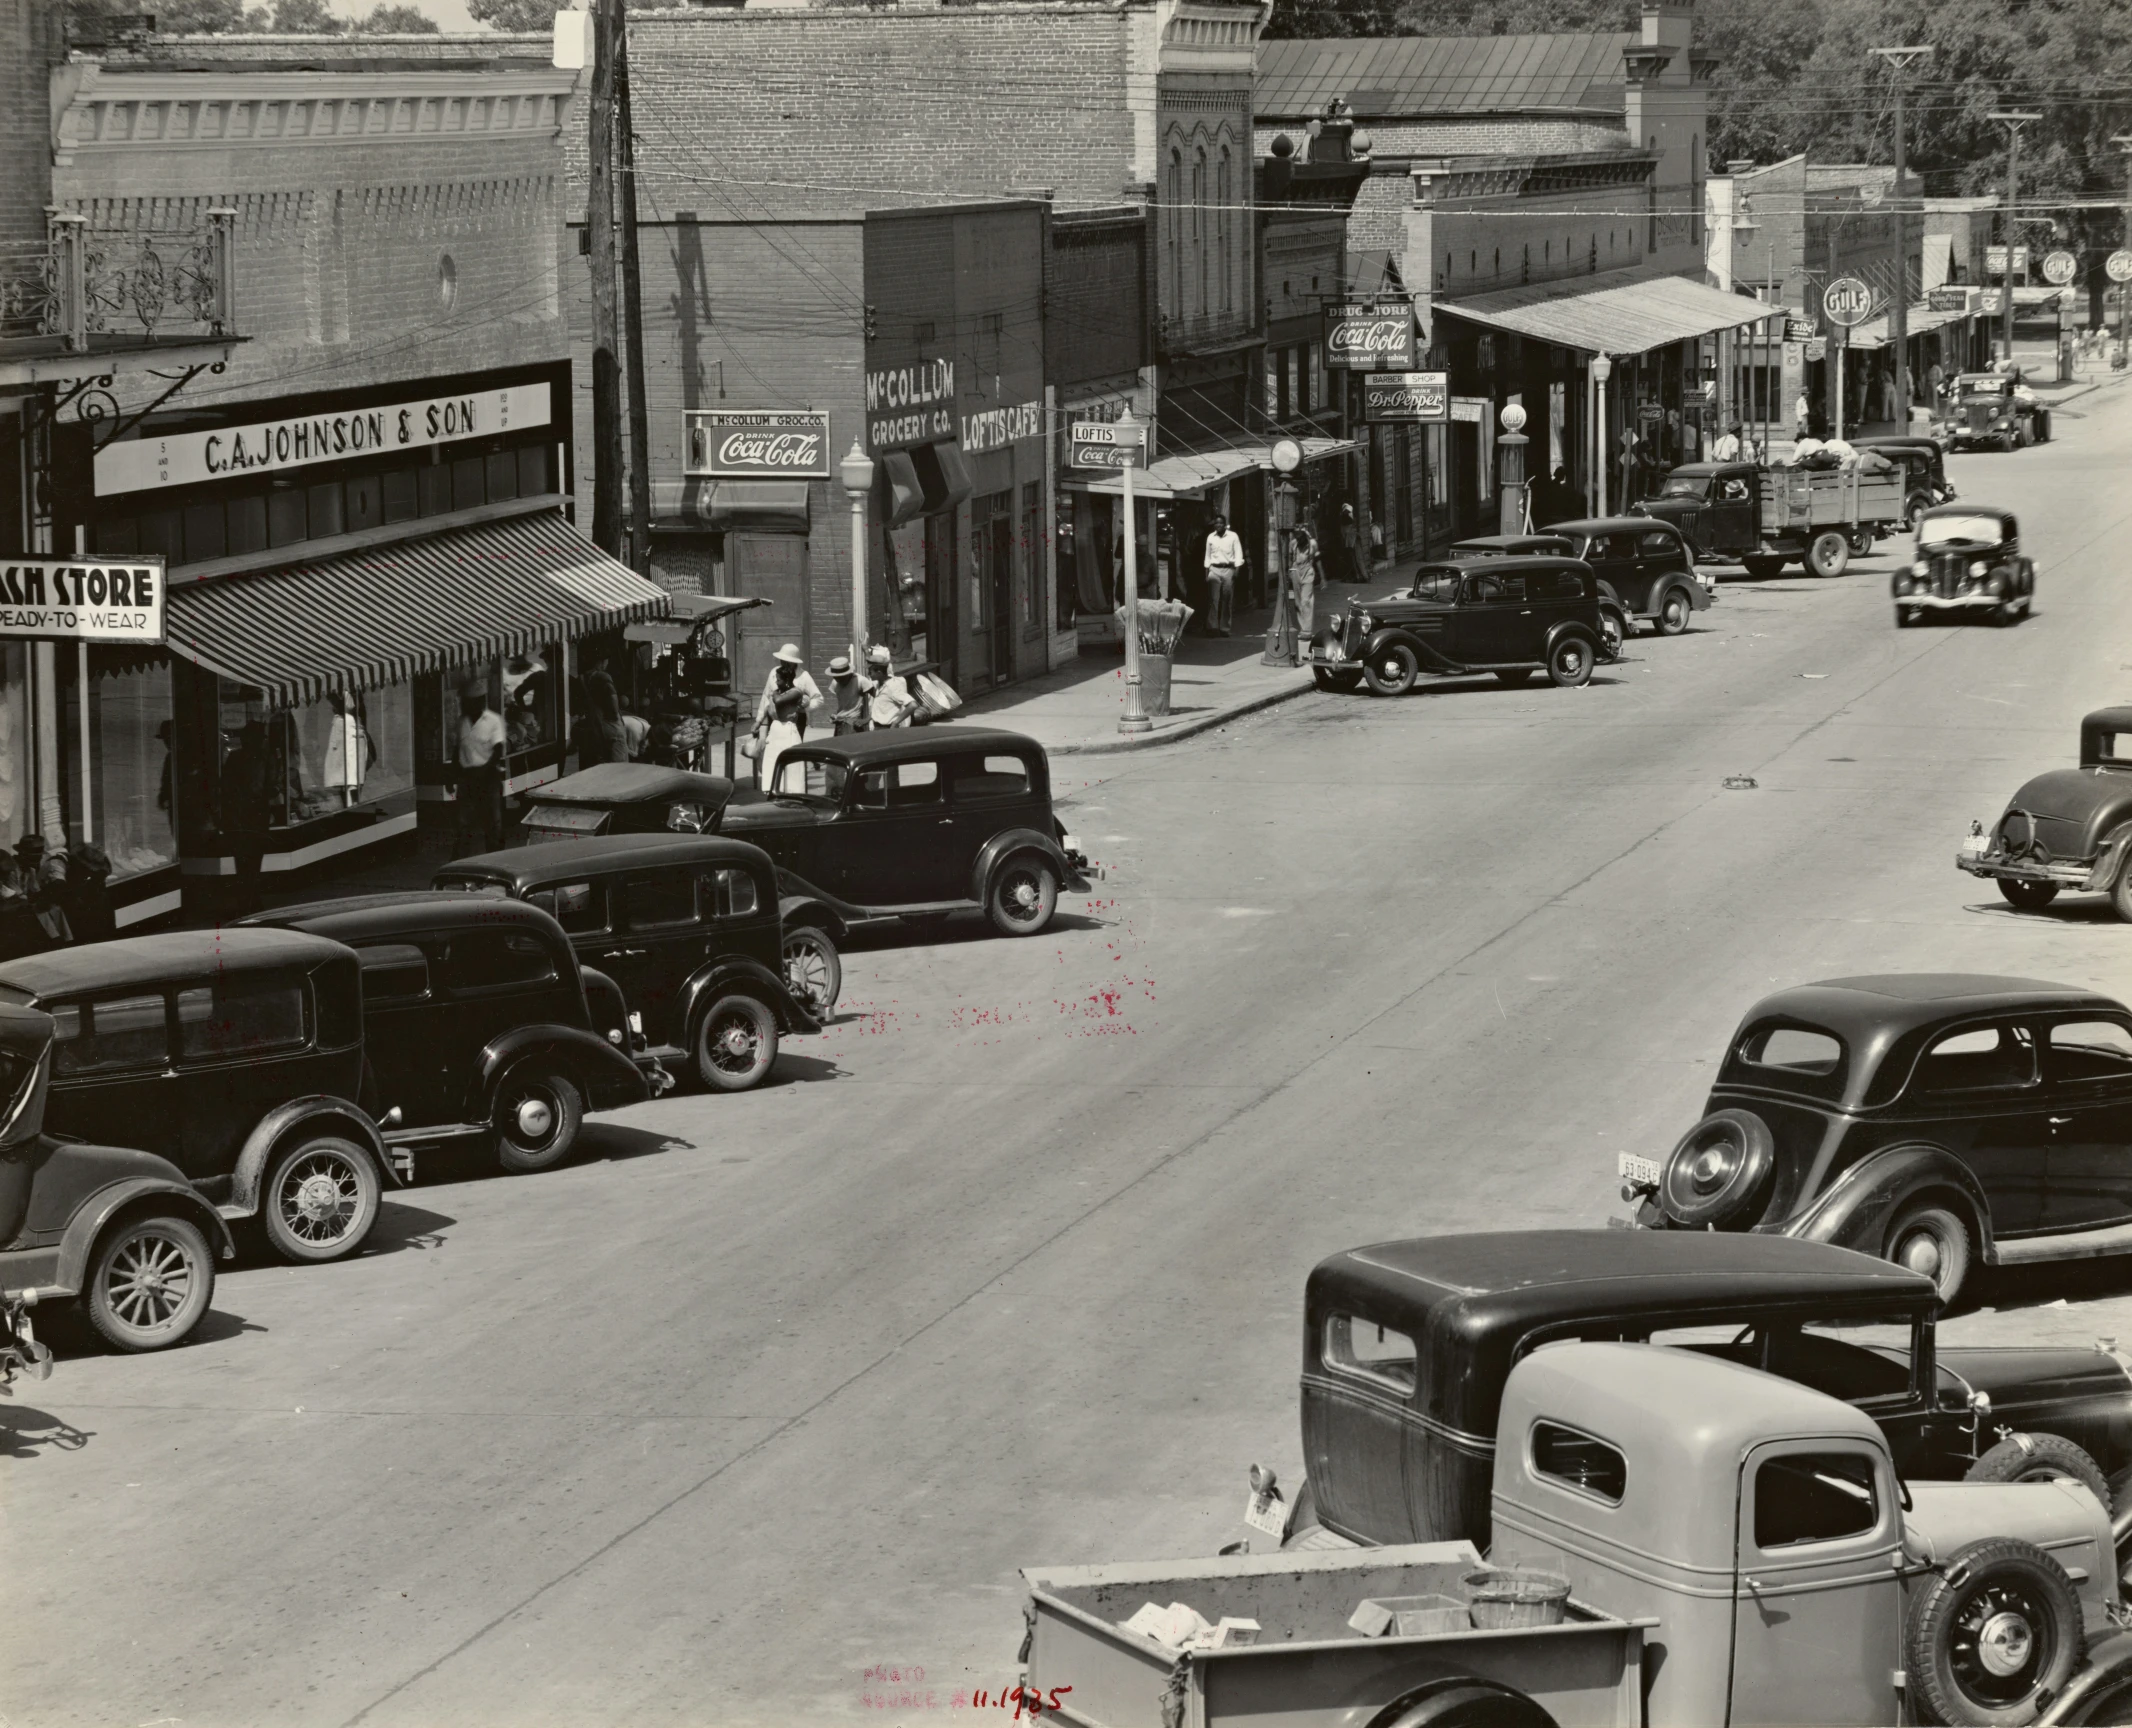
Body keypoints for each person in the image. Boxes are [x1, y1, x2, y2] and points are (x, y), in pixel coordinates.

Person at [452, 681, 507, 859]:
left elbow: (498, 749)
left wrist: (485, 770)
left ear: (479, 702)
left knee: (493, 823)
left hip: (488, 777)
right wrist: (451, 775)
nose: (464, 706)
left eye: (467, 702)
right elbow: (458, 749)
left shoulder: (493, 720)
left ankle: (495, 859)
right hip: (467, 778)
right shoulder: (462, 722)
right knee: (463, 823)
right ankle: (459, 861)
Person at [322, 691, 373, 809]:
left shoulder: (349, 713)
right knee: (344, 778)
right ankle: (350, 806)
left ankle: (352, 807)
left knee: (351, 779)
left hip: (349, 730)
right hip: (345, 729)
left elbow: (350, 705)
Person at [755, 643, 823, 731]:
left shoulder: (804, 676)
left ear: (794, 662)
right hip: (775, 720)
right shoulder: (774, 673)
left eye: (787, 661)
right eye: (782, 660)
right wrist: (759, 720)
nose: (784, 663)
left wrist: (802, 708)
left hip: (795, 722)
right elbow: (766, 697)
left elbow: (819, 699)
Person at [757, 683, 807, 791]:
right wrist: (759, 725)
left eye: (779, 679)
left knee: (792, 767)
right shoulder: (773, 693)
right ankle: (774, 793)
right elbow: (765, 709)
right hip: (775, 732)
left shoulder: (796, 691)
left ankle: (792, 795)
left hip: (789, 731)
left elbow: (808, 701)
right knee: (773, 764)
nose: (776, 682)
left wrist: (798, 707)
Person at [572, 669, 628, 766]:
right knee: (619, 768)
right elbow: (614, 705)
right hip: (611, 728)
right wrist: (615, 717)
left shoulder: (582, 679)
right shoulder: (603, 677)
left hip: (594, 729)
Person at [1201, 513, 1244, 636]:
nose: (1218, 525)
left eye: (1221, 523)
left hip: (1228, 570)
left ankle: (1225, 628)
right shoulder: (1210, 537)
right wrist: (1206, 573)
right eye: (1216, 523)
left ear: (1225, 525)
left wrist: (1236, 571)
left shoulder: (1233, 536)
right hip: (1214, 570)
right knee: (1213, 600)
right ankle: (1212, 628)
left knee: (1227, 600)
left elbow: (1238, 554)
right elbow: (1207, 556)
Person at [866, 644, 919, 729]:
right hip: (877, 727)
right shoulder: (879, 684)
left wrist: (895, 723)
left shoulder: (892, 687)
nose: (869, 675)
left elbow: (913, 705)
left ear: (879, 672)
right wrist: (865, 649)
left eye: (870, 672)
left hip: (886, 729)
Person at [1289, 526, 1323, 646]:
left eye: (1300, 535)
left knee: (1306, 600)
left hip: (1308, 570)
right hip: (1295, 570)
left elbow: (1318, 559)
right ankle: (1303, 628)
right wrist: (1290, 572)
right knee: (1298, 602)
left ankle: (1307, 631)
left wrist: (1323, 578)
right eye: (1296, 535)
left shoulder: (1312, 543)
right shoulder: (1293, 543)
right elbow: (1289, 558)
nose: (1298, 538)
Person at [827, 654, 871, 735]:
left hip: (853, 724)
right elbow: (843, 705)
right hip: (840, 724)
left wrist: (867, 719)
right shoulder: (835, 683)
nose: (838, 680)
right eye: (835, 677)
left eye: (841, 677)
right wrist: (835, 716)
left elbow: (878, 699)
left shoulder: (860, 681)